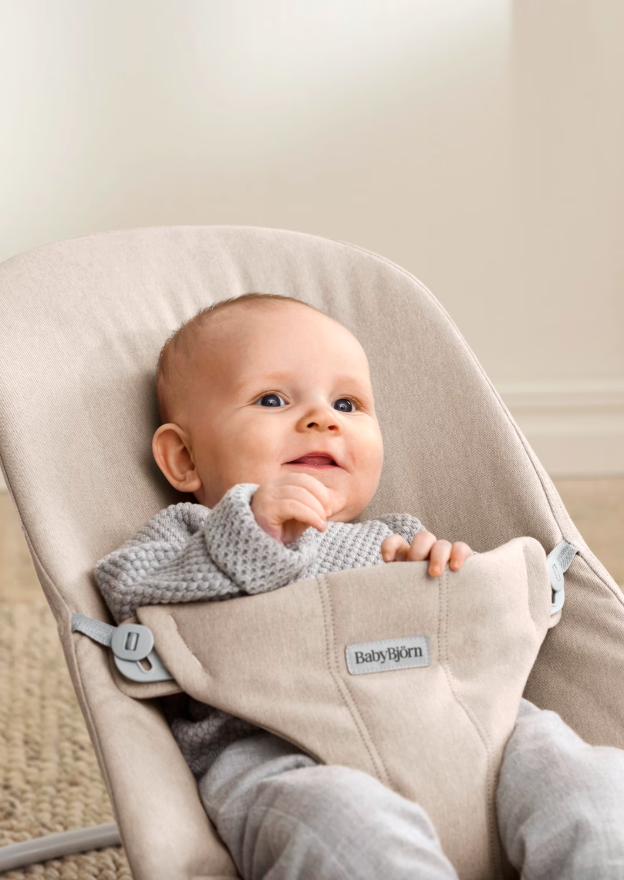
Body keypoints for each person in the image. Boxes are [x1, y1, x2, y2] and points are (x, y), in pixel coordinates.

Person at [94, 293, 624, 880]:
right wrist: (250, 534)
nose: (322, 420)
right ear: (184, 458)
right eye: (272, 399)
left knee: (592, 785)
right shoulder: (187, 532)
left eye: (346, 404)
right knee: (345, 827)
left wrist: (447, 577)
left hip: (467, 730)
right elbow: (131, 596)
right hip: (284, 749)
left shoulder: (395, 537)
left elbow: (468, 650)